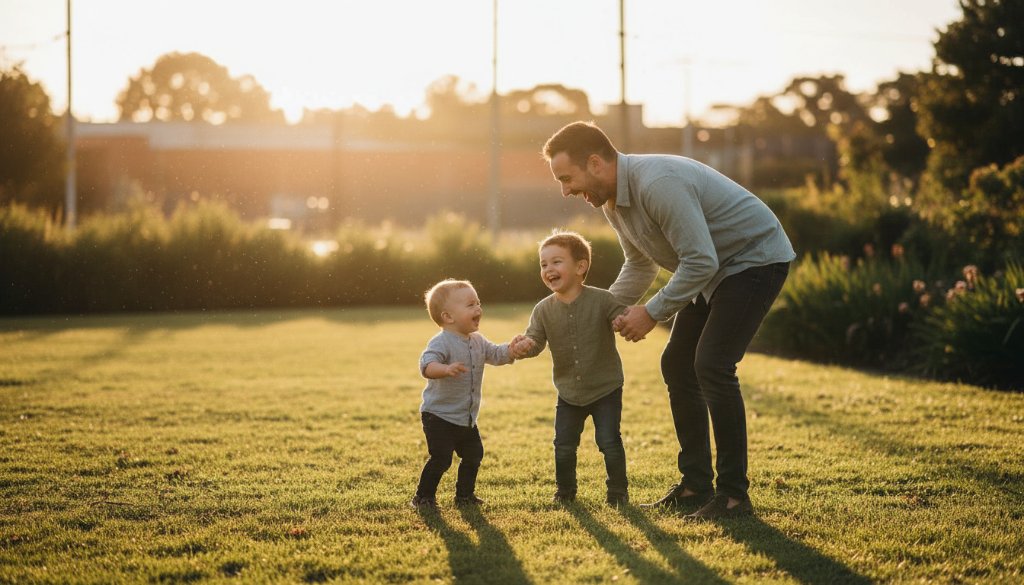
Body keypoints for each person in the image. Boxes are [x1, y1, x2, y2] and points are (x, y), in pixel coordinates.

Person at [541, 121, 795, 520]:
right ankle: (695, 486)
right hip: (711, 272)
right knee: (677, 363)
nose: (566, 190)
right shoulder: (613, 203)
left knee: (712, 363)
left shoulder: (657, 183)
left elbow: (700, 259)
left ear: (595, 162)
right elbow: (639, 264)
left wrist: (651, 313)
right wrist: (599, 310)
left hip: (753, 260)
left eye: (567, 178)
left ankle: (733, 497)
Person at [511, 231, 630, 506]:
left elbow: (621, 317)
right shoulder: (542, 310)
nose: (548, 269)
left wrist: (621, 323)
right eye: (543, 264)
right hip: (568, 392)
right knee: (563, 446)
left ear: (580, 267)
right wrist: (525, 346)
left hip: (605, 387)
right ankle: (565, 492)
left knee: (609, 442)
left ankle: (617, 493)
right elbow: (536, 340)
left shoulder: (603, 300)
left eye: (556, 262)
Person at [412, 279, 529, 509]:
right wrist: (445, 369)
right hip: (439, 416)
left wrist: (512, 349)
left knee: (474, 455)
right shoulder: (442, 342)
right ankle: (423, 497)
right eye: (470, 305)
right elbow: (427, 365)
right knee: (442, 458)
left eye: (478, 303)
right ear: (448, 317)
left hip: (466, 418)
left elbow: (496, 354)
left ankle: (464, 497)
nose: (478, 308)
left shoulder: (477, 340)